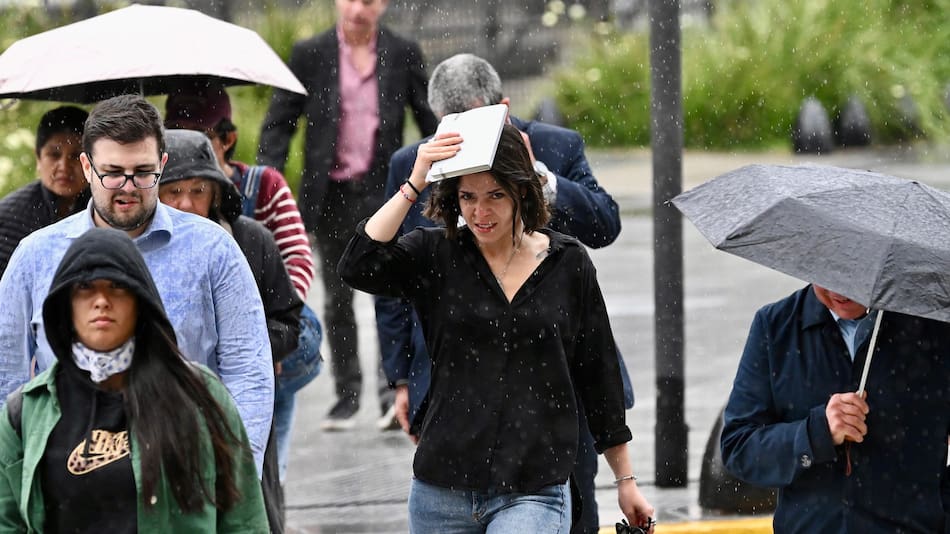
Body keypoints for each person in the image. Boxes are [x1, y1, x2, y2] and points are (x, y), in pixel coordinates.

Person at [339, 125, 655, 532]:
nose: (479, 212)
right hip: (441, 491)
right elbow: (357, 264)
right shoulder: (434, 254)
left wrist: (625, 482)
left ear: (522, 191)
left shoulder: (568, 264)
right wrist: (415, 181)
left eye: (495, 195)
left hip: (534, 488)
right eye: (467, 197)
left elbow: (600, 378)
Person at [0, 94, 273, 473]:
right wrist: (14, 486)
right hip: (67, 480)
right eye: (112, 172)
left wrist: (239, 477)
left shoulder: (213, 249)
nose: (127, 186)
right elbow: (5, 374)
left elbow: (248, 370)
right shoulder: (36, 257)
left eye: (143, 173)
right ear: (87, 166)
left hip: (185, 474)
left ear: (163, 165)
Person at [0, 227, 267, 531]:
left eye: (117, 286)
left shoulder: (200, 395)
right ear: (66, 305)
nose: (101, 300)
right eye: (85, 287)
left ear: (140, 302)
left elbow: (244, 521)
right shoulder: (23, 414)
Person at [258, 0, 438, 430]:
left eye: (371, 0)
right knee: (338, 298)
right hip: (331, 195)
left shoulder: (402, 52)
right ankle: (347, 395)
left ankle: (390, 390)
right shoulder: (310, 53)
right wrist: (269, 175)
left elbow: (427, 116)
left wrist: (447, 164)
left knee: (391, 294)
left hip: (386, 192)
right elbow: (280, 121)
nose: (360, 8)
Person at [158, 129, 304, 532]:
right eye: (173, 191)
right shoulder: (138, 248)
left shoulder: (252, 240)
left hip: (241, 402)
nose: (186, 202)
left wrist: (244, 349)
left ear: (217, 193)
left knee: (252, 506)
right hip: (163, 407)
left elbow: (289, 321)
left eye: (198, 189)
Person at [720, 284, 950, 533]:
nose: (842, 290)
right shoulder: (775, 326)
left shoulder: (934, 328)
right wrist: (817, 433)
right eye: (828, 278)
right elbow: (739, 447)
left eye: (856, 275)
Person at [164, 84, 315, 300]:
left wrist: (275, 313)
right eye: (176, 133)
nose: (189, 144)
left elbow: (297, 258)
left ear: (228, 139)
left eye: (200, 136)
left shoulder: (264, 185)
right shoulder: (152, 189)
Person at [0, 106, 90, 278]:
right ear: (38, 158)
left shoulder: (107, 206)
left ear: (90, 160)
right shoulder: (8, 216)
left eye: (76, 155)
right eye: (54, 155)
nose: (64, 166)